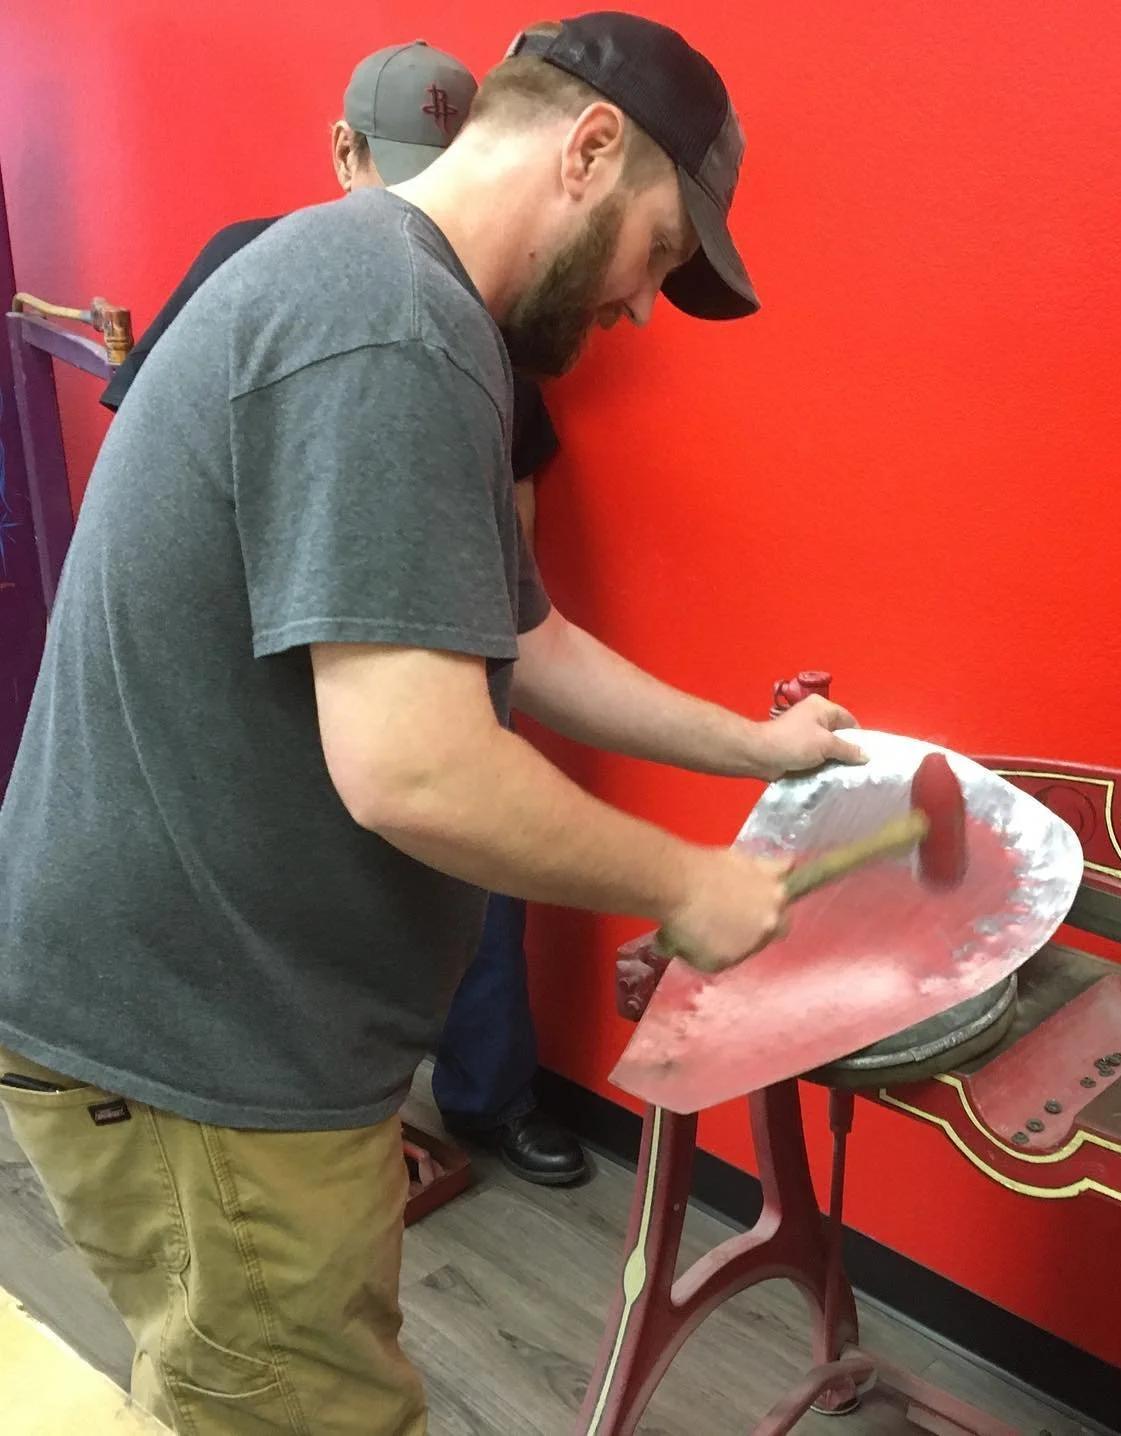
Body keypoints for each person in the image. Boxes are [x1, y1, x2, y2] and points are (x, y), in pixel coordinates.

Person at [0, 13, 862, 1435]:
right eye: (659, 250)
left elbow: (523, 639)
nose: (646, 303)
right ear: (589, 150)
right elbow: (414, 769)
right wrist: (686, 882)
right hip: (192, 1047)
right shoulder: (387, 322)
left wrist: (749, 747)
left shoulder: (406, 304)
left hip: (234, 1025)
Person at [102, 38, 585, 1185]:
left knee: (471, 849)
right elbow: (141, 464)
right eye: (394, 167)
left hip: (419, 623)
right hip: (263, 651)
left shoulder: (489, 317)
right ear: (344, 155)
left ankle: (482, 1093)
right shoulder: (259, 268)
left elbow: (512, 540)